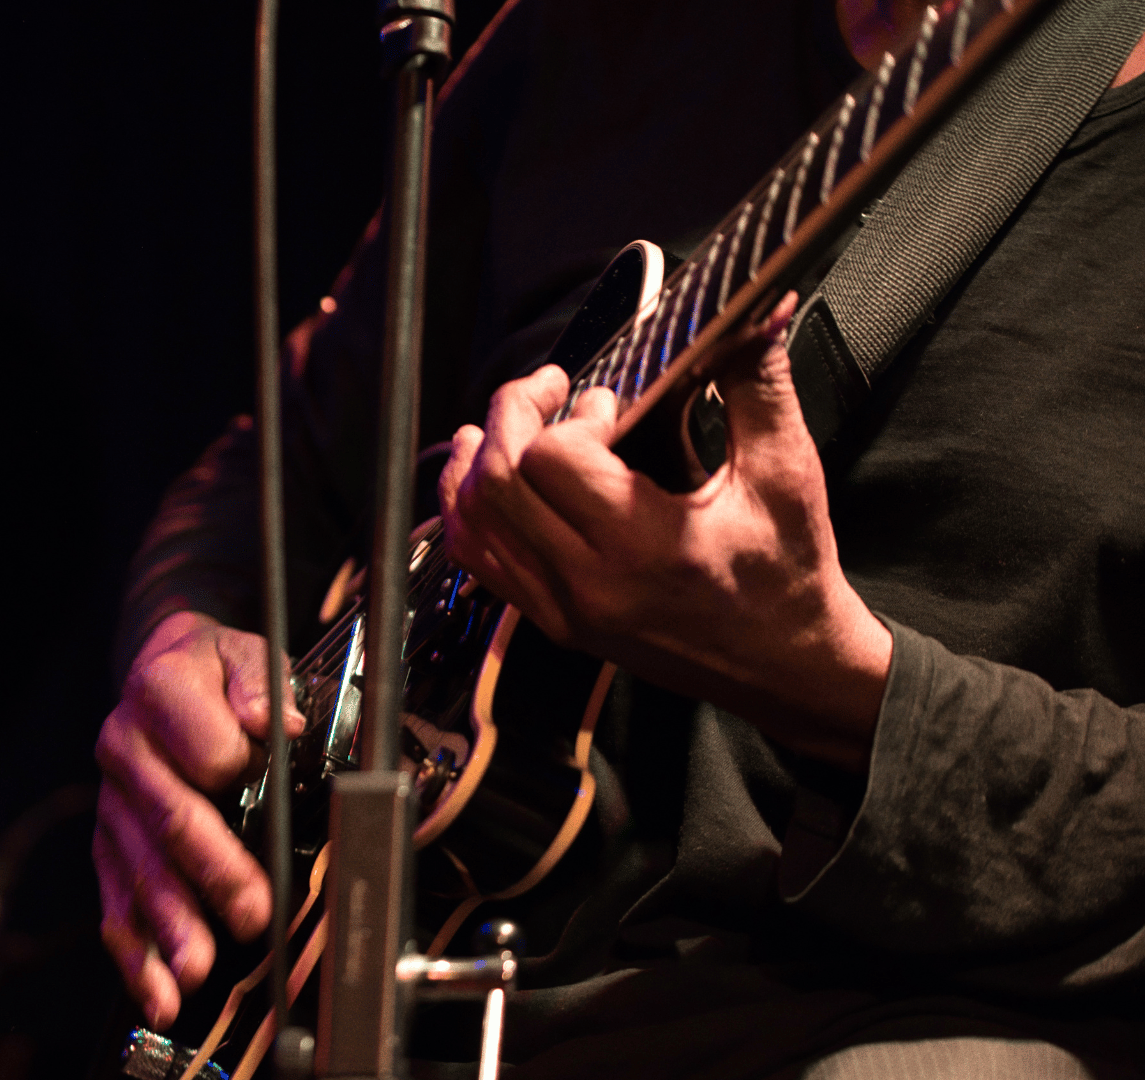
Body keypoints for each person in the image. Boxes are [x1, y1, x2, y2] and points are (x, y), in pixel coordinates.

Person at [93, 0, 1145, 1073]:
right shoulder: (596, 31)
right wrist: (179, 644)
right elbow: (279, 469)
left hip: (843, 1025)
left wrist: (828, 681)